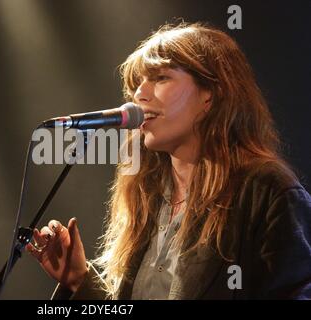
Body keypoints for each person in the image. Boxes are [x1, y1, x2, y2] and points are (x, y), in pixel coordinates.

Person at [25, 22, 311, 299]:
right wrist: (78, 279)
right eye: (137, 84)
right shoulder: (147, 194)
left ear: (210, 94)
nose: (139, 94)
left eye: (160, 78)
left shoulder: (267, 190)